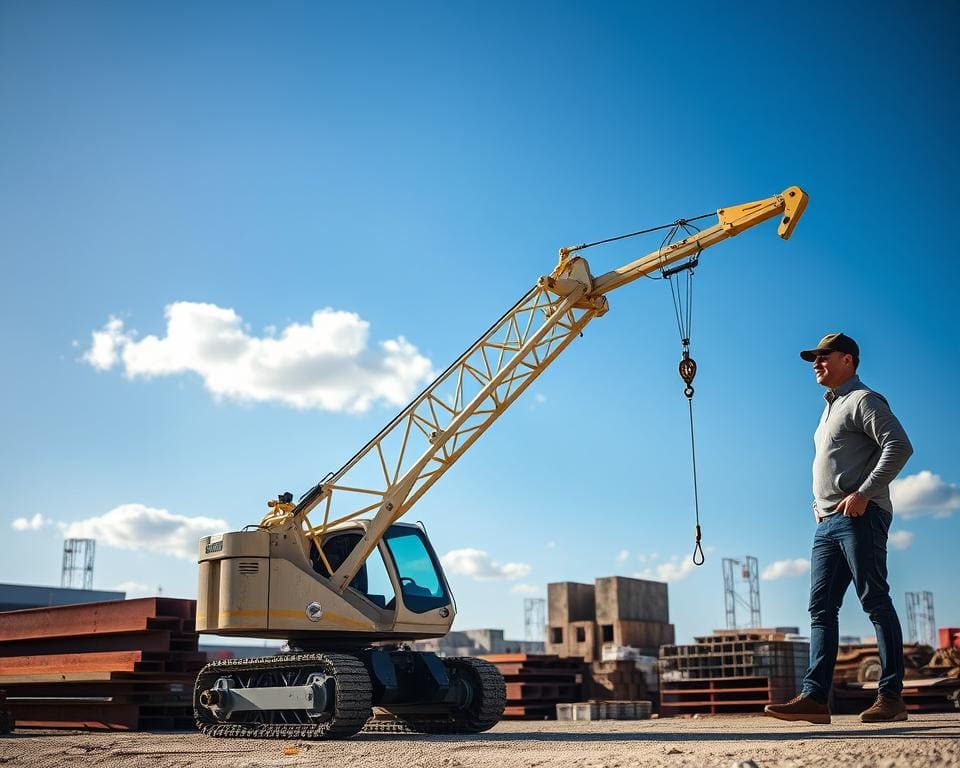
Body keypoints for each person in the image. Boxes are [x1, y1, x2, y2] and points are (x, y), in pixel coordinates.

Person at [765, 333, 913, 725]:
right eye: (813, 358)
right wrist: (818, 503)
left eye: (823, 356)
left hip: (860, 517)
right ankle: (814, 699)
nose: (816, 363)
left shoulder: (864, 400)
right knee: (820, 608)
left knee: (874, 601)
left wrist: (864, 493)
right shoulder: (829, 408)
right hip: (828, 522)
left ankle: (891, 696)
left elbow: (898, 445)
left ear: (848, 359)